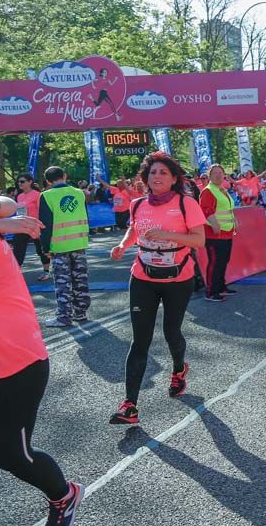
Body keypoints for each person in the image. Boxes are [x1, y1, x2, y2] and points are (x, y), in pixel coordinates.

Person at [0, 190, 86, 526]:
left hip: (12, 365)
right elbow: (5, 205)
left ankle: (64, 495)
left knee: (11, 455)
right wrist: (1, 216)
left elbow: (3, 205)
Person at [108, 152, 207, 425]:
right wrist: (122, 246)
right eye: (153, 173)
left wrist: (167, 235)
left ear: (174, 178)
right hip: (143, 277)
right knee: (140, 340)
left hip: (178, 279)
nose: (157, 177)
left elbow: (199, 240)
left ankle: (178, 370)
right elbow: (134, 230)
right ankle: (130, 405)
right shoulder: (138, 204)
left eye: (163, 172)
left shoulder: (186, 204)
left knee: (171, 331)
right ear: (146, 178)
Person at [39, 166, 91, 328]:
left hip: (59, 245)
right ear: (65, 176)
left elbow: (45, 225)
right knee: (80, 279)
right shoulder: (79, 193)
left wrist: (45, 248)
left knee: (63, 282)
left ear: (47, 181)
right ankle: (81, 312)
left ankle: (64, 316)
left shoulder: (46, 196)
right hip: (80, 243)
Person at [200, 164, 238, 302]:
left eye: (220, 173)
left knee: (223, 261)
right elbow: (205, 210)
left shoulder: (222, 189)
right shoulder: (208, 191)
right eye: (215, 173)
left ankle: (221, 287)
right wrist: (214, 223)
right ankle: (210, 292)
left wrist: (235, 222)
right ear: (209, 176)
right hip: (214, 234)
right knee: (215, 263)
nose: (218, 175)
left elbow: (228, 209)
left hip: (227, 232)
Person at [11, 173, 51, 281]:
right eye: (18, 182)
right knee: (18, 249)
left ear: (30, 182)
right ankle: (16, 273)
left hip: (35, 225)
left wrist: (42, 226)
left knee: (41, 249)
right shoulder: (19, 196)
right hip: (22, 225)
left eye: (22, 181)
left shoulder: (37, 194)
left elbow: (42, 211)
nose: (20, 184)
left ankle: (46, 271)